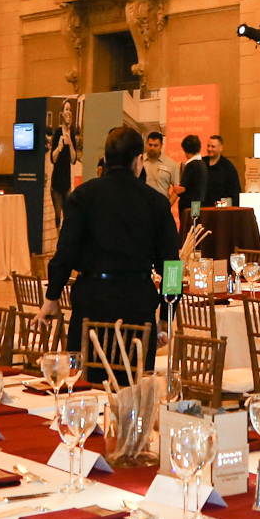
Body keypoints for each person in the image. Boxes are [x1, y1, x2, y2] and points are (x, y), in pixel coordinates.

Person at [40, 126, 179, 370]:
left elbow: (66, 253)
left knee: (85, 382)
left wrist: (52, 297)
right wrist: (167, 316)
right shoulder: (156, 202)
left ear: (105, 159)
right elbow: (171, 267)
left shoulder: (83, 196)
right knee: (132, 388)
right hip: (136, 306)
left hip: (91, 304)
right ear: (138, 162)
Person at [179, 134, 242, 222]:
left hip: (218, 212)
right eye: (208, 146)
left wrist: (233, 214)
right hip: (198, 209)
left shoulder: (228, 167)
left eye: (213, 147)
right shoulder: (200, 163)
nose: (209, 149)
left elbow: (235, 192)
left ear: (221, 148)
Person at [139, 130, 179, 199]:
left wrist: (168, 205)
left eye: (155, 145)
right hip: (141, 205)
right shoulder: (139, 161)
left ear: (161, 145)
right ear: (146, 144)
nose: (152, 148)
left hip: (161, 205)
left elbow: (177, 189)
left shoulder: (171, 164)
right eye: (150, 145)